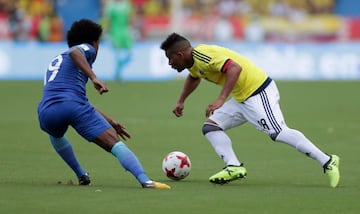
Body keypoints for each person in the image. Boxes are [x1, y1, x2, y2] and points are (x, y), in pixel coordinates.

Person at [160, 32, 340, 188]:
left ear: (180, 54)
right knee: (211, 127)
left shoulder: (203, 55)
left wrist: (221, 99)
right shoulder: (193, 62)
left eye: (170, 58)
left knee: (278, 132)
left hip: (258, 91)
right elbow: (194, 77)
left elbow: (234, 68)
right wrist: (181, 100)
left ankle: (327, 161)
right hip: (241, 97)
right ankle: (234, 166)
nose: (169, 63)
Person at [37, 19, 170, 189]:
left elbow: (75, 99)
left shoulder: (56, 60)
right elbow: (76, 53)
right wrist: (94, 77)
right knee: (113, 142)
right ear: (94, 43)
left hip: (47, 111)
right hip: (73, 105)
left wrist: (110, 121)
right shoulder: (86, 49)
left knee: (55, 134)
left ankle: (81, 174)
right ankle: (146, 180)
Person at [102, 0, 134, 81]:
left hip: (125, 31)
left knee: (130, 54)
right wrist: (107, 32)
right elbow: (109, 20)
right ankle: (118, 74)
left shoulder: (127, 5)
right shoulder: (111, 7)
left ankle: (119, 70)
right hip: (115, 32)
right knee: (118, 54)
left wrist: (131, 29)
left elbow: (130, 18)